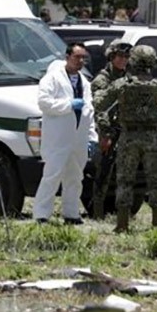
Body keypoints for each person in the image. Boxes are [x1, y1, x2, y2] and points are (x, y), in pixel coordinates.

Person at [97, 45, 157, 232]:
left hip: (128, 136)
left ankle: (122, 225)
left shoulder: (122, 85)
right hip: (151, 137)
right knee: (155, 180)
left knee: (125, 180)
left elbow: (99, 103)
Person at [33, 42, 96, 224]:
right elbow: (44, 103)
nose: (80, 61)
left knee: (76, 178)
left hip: (78, 139)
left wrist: (92, 137)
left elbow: (88, 111)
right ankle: (41, 214)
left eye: (83, 57)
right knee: (52, 176)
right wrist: (68, 105)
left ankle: (71, 213)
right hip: (58, 138)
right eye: (77, 57)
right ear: (67, 57)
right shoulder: (52, 79)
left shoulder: (85, 83)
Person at [91, 39, 132, 219]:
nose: (124, 60)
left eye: (126, 56)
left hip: (127, 129)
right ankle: (97, 210)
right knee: (104, 172)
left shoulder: (128, 77)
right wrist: (105, 134)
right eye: (120, 56)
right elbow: (100, 109)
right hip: (110, 130)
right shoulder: (102, 80)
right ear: (112, 57)